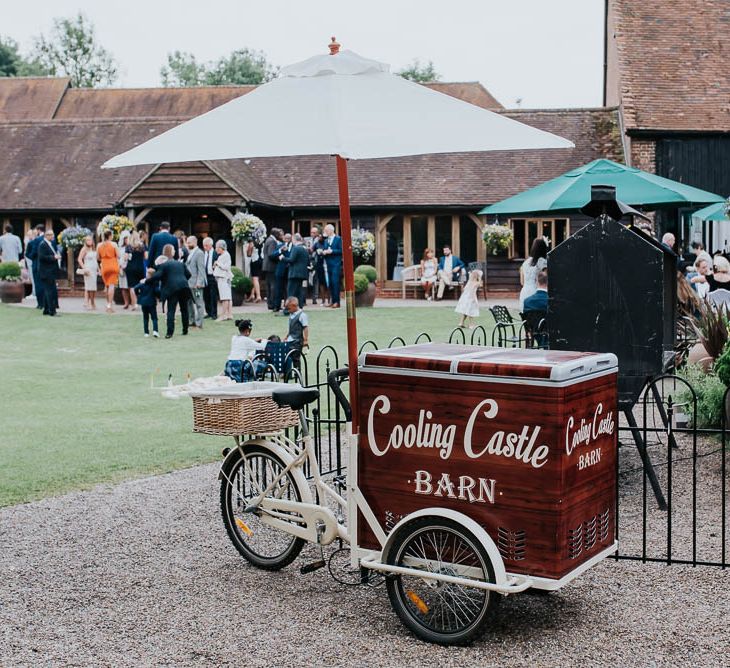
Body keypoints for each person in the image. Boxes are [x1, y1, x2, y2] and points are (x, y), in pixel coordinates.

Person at [147, 244, 191, 338]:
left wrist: (147, 281)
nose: (175, 251)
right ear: (171, 252)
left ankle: (169, 333)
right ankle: (185, 330)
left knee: (171, 310)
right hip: (183, 287)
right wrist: (182, 279)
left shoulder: (164, 265)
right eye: (174, 250)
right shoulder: (180, 264)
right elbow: (189, 274)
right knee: (184, 309)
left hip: (172, 289)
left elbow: (157, 276)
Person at [37, 228, 61, 316]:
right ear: (46, 236)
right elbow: (42, 257)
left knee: (49, 290)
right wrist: (54, 257)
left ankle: (46, 310)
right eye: (51, 235)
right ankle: (52, 311)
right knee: (50, 291)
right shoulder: (42, 245)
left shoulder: (50, 244)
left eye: (53, 234)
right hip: (46, 272)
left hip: (50, 271)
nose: (53, 236)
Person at [519, 238, 548, 309]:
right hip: (537, 294)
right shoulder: (542, 262)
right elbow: (547, 279)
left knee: (527, 316)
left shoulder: (525, 262)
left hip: (524, 293)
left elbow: (522, 282)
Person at [185, 235, 206, 329]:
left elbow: (201, 269)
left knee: (199, 303)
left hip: (196, 284)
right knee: (189, 303)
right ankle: (191, 321)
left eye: (189, 242)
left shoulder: (199, 253)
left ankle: (199, 323)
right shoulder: (190, 253)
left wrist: (199, 282)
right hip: (189, 283)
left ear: (194, 242)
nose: (187, 244)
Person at [97, 229, 120, 313]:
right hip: (113, 265)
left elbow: (98, 258)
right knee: (111, 286)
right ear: (110, 236)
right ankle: (110, 305)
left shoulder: (99, 245)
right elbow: (118, 255)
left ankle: (108, 305)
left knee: (107, 286)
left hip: (104, 266)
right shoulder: (114, 244)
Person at [133, 268, 160, 338]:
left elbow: (135, 288)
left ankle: (146, 332)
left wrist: (139, 295)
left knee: (145, 318)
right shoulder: (155, 283)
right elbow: (157, 291)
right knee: (154, 317)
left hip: (143, 303)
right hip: (152, 302)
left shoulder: (143, 282)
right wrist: (158, 297)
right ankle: (155, 331)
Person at [284, 233, 309, 308]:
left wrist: (283, 258)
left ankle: (288, 309)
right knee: (299, 292)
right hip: (302, 273)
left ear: (294, 239)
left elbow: (291, 260)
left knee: (290, 292)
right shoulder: (304, 248)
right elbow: (307, 261)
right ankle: (299, 307)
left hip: (294, 273)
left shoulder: (296, 248)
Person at [25, 224, 47, 308]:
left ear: (38, 230)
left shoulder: (35, 241)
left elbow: (29, 253)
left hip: (36, 265)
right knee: (45, 285)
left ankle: (40, 304)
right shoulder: (49, 240)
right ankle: (46, 303)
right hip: (46, 266)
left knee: (38, 284)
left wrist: (34, 259)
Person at [283, 296, 309, 363]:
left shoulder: (302, 315)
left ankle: (297, 372)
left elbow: (305, 328)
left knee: (296, 358)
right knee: (288, 356)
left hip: (297, 341)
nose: (288, 310)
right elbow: (291, 328)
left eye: (289, 308)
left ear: (294, 305)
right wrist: (286, 336)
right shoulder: (291, 315)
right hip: (290, 340)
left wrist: (306, 340)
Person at [322, 223, 342, 308]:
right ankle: (332, 301)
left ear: (331, 230)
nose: (325, 232)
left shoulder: (338, 239)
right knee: (330, 283)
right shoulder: (326, 240)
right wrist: (324, 252)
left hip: (336, 264)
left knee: (335, 282)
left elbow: (341, 251)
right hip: (328, 264)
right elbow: (325, 249)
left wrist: (332, 251)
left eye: (326, 230)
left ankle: (337, 302)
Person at [213, 239, 233, 321]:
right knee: (227, 297)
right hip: (222, 278)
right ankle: (229, 314)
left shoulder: (226, 255)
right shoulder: (223, 255)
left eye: (217, 247)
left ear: (221, 247)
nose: (216, 249)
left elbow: (226, 267)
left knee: (225, 297)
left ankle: (223, 315)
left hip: (223, 278)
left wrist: (217, 263)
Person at [125, 231, 147, 307]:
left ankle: (134, 304)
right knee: (140, 284)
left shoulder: (128, 246)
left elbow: (126, 257)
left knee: (131, 286)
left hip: (130, 267)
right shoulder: (142, 246)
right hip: (140, 267)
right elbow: (146, 257)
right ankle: (141, 301)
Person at [77, 235, 98, 310]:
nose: (89, 241)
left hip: (94, 269)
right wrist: (84, 268)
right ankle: (90, 303)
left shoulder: (93, 248)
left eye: (90, 240)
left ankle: (91, 302)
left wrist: (98, 269)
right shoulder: (84, 249)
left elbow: (95, 260)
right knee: (89, 287)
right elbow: (79, 259)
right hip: (88, 270)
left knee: (93, 287)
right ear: (85, 242)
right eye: (87, 240)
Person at [262, 227, 281, 311]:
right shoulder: (272, 241)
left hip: (267, 265)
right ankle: (272, 303)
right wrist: (280, 252)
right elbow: (271, 254)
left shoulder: (268, 239)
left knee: (269, 285)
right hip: (271, 266)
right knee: (272, 285)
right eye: (279, 234)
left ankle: (270, 303)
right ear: (275, 234)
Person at [270, 231, 289, 314]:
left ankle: (288, 306)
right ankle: (276, 306)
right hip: (280, 270)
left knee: (288, 290)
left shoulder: (294, 247)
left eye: (289, 238)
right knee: (278, 289)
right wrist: (280, 251)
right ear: (284, 239)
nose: (287, 240)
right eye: (286, 238)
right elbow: (272, 255)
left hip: (289, 270)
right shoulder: (279, 246)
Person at [202, 237, 218, 319]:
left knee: (213, 295)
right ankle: (208, 312)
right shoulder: (203, 253)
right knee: (206, 295)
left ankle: (214, 313)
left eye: (206, 245)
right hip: (205, 276)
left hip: (212, 276)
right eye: (204, 245)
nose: (205, 247)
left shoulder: (215, 253)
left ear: (211, 245)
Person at [117, 230, 132, 309]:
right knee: (123, 286)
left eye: (128, 238)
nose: (127, 240)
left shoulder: (131, 247)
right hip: (121, 268)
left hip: (129, 268)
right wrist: (120, 265)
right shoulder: (120, 248)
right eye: (125, 238)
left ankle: (132, 302)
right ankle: (126, 303)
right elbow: (118, 257)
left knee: (130, 286)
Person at [245, 237, 263, 303]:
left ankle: (258, 296)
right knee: (257, 279)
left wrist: (248, 248)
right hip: (261, 260)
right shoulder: (261, 242)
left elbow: (249, 254)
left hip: (255, 261)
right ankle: (252, 295)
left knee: (255, 279)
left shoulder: (252, 243)